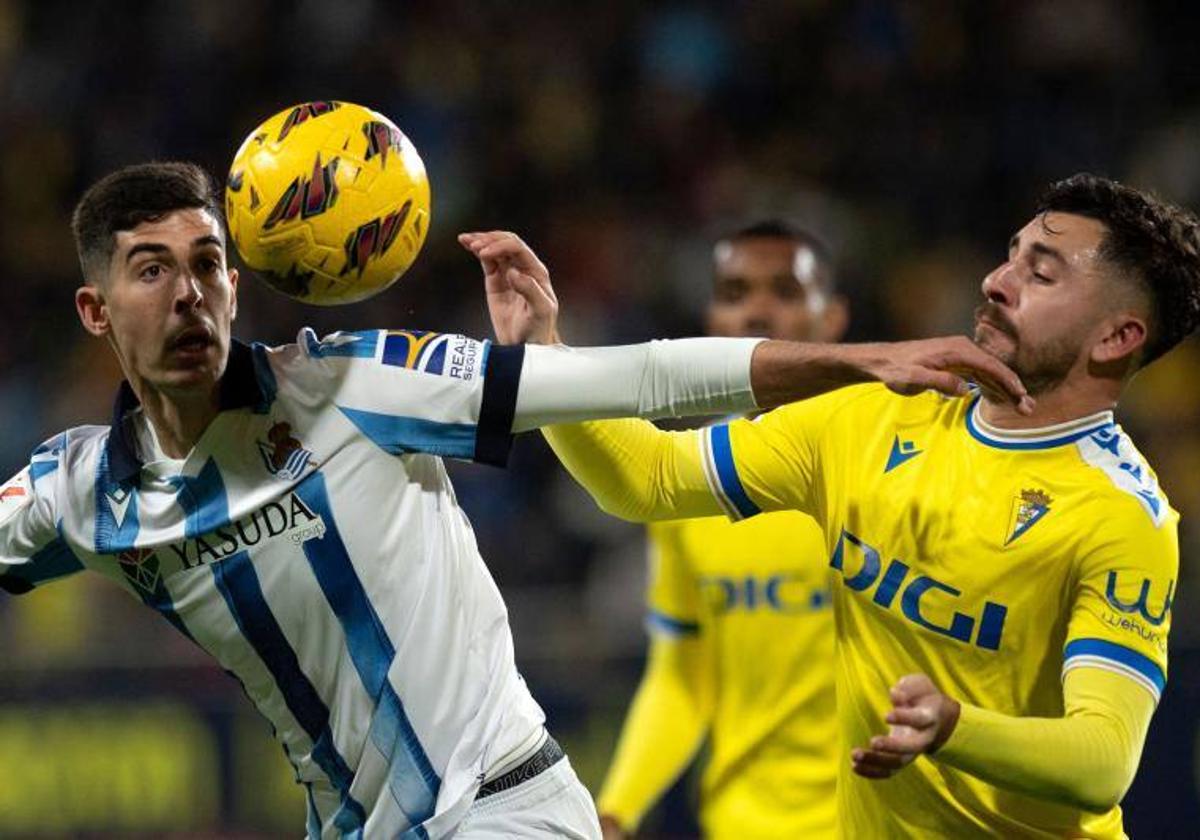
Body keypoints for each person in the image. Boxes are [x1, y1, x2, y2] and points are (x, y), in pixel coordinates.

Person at [0, 162, 1025, 840]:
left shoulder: (359, 386)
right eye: (150, 270)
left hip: (504, 812)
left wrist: (861, 358)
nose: (188, 292)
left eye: (208, 264)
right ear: (96, 308)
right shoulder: (81, 492)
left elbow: (642, 379)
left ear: (238, 283)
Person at [531, 173, 1198, 838]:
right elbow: (647, 479)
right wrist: (542, 359)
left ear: (1116, 339)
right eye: (1011, 254)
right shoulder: (874, 416)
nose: (997, 280)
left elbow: (1103, 761)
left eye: (1042, 274)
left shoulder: (1121, 516)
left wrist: (955, 726)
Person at [595, 221, 848, 840]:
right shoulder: (691, 483)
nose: (758, 309)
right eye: (735, 293)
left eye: (786, 291)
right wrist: (616, 811)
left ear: (834, 318)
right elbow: (683, 675)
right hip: (740, 823)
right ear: (711, 319)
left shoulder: (885, 459)